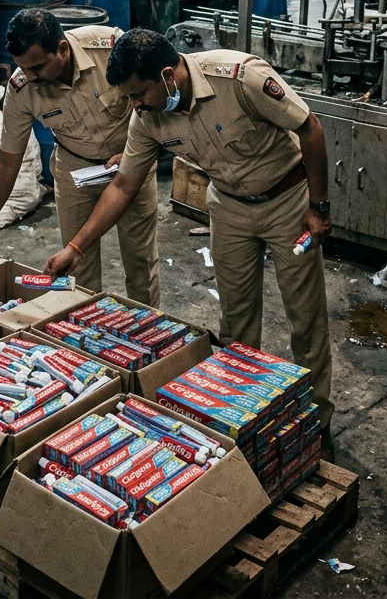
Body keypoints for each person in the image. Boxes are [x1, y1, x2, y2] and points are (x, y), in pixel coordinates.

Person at [42, 28, 336, 451]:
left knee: (304, 317)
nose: (133, 105)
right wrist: (76, 247)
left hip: (287, 201)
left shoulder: (239, 78)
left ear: (166, 76)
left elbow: (310, 128)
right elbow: (124, 185)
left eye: (138, 94)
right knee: (235, 320)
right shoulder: (147, 119)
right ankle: (243, 415)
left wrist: (319, 207)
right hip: (228, 208)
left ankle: (317, 420)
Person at [0, 8, 160, 304]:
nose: (30, 76)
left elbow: (156, 100)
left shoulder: (112, 49)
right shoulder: (22, 88)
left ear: (62, 49)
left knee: (140, 261)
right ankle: (86, 334)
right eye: (23, 68)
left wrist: (138, 154)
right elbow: (8, 159)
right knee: (77, 266)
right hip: (75, 171)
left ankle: (151, 333)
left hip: (131, 164)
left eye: (37, 67)